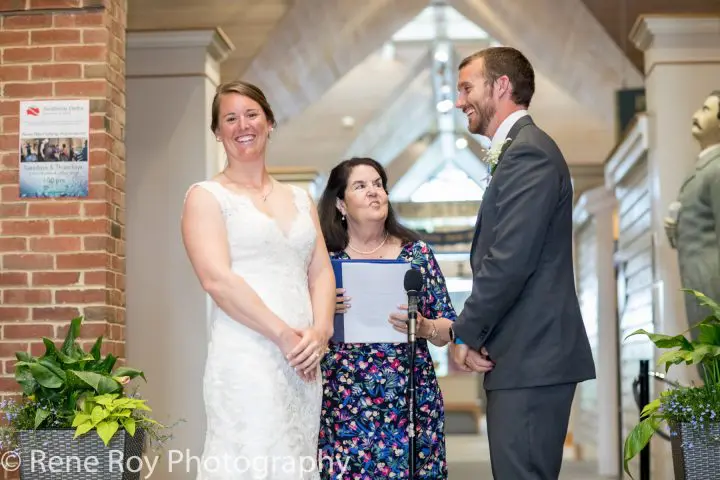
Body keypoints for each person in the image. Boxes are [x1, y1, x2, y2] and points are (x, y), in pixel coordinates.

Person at [450, 47, 596, 479]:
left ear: (501, 86)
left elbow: (508, 261)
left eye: (466, 88)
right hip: (523, 357)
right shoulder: (518, 151)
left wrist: (466, 333)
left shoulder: (528, 153)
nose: (460, 101)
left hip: (532, 358)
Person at [181, 80, 335, 479]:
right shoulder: (206, 196)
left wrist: (320, 331)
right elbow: (217, 280)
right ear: (217, 132)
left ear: (269, 122)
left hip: (304, 360)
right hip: (248, 354)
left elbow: (320, 270)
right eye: (229, 119)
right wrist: (284, 336)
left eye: (251, 115)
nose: (241, 125)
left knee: (296, 455)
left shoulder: (300, 198)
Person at [316, 157, 457, 479]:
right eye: (361, 186)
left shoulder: (417, 254)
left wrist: (424, 327)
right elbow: (302, 326)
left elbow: (449, 329)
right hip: (344, 401)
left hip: (409, 397)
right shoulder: (323, 259)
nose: (373, 192)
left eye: (378, 184)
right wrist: (322, 309)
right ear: (340, 203)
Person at [665, 91, 720, 350]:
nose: (696, 115)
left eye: (707, 110)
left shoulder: (716, 169)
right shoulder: (701, 168)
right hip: (698, 280)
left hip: (712, 283)